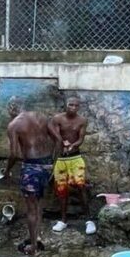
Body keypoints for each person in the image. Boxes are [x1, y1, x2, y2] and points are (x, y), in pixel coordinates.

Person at [5, 97, 57, 255]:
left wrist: (7, 170)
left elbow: (14, 154)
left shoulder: (14, 125)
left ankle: (33, 247)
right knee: (39, 205)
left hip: (31, 167)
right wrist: (53, 161)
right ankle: (37, 237)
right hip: (47, 165)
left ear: (13, 108)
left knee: (31, 209)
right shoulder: (42, 118)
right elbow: (58, 139)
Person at [49, 95, 95, 235]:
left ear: (78, 107)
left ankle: (89, 220)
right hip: (61, 160)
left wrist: (72, 145)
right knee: (62, 190)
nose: (73, 108)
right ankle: (63, 220)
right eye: (70, 105)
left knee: (81, 187)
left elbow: (81, 139)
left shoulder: (82, 120)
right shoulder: (57, 119)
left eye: (76, 105)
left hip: (75, 158)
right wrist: (63, 142)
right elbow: (54, 134)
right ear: (66, 105)